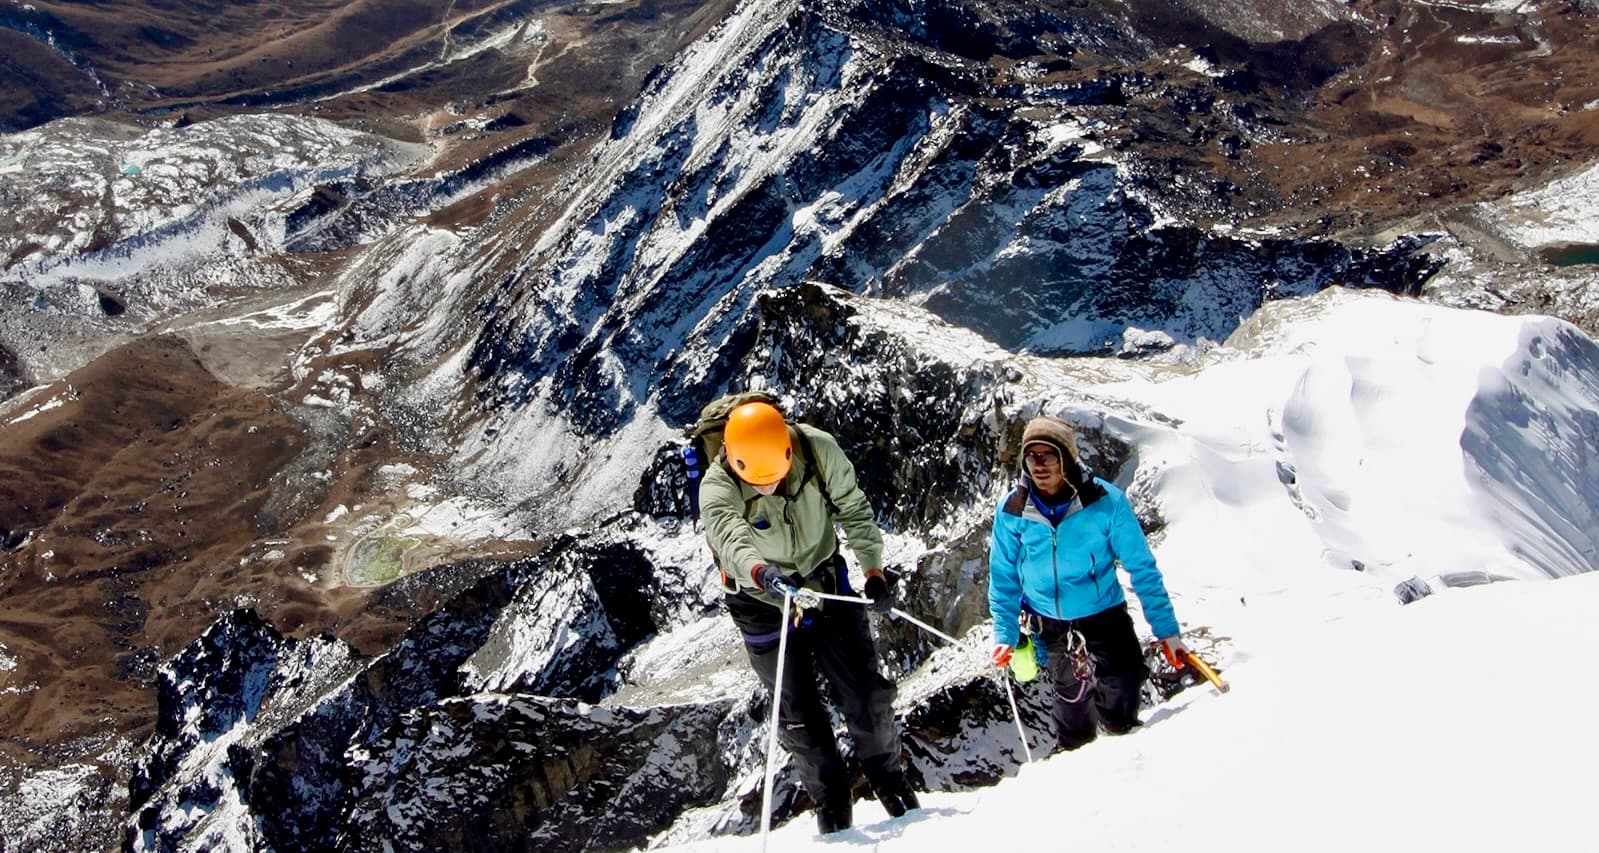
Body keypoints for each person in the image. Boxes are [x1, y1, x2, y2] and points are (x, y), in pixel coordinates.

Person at [700, 400, 918, 834]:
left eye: (776, 479)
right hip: (762, 603)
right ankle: (832, 806)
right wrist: (763, 574)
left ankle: (890, 783)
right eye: (756, 483)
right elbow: (730, 538)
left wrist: (873, 571)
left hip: (827, 586)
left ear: (787, 451)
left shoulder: (818, 450)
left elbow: (853, 509)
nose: (768, 488)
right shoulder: (716, 486)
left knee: (867, 694)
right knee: (798, 715)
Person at [987, 415, 1188, 752]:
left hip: (1104, 612)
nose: (1038, 465)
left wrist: (1167, 631)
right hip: (1048, 621)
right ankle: (1077, 758)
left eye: (1048, 455)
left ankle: (1122, 739)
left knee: (1126, 678)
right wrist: (1005, 634)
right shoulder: (1013, 510)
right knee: (1070, 696)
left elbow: (1142, 568)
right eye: (1031, 456)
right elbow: (1004, 576)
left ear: (1066, 458)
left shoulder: (1105, 503)